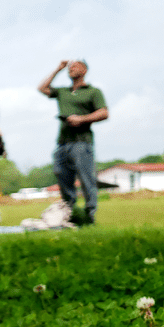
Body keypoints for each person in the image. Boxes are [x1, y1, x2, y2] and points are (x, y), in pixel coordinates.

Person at [38, 59, 109, 225]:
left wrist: (82, 119)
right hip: (63, 143)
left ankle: (90, 215)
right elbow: (42, 88)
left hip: (82, 142)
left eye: (75, 66)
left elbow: (104, 113)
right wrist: (58, 69)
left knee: (86, 179)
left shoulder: (92, 92)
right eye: (70, 67)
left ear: (84, 70)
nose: (71, 68)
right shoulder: (63, 92)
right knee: (60, 173)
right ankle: (70, 212)